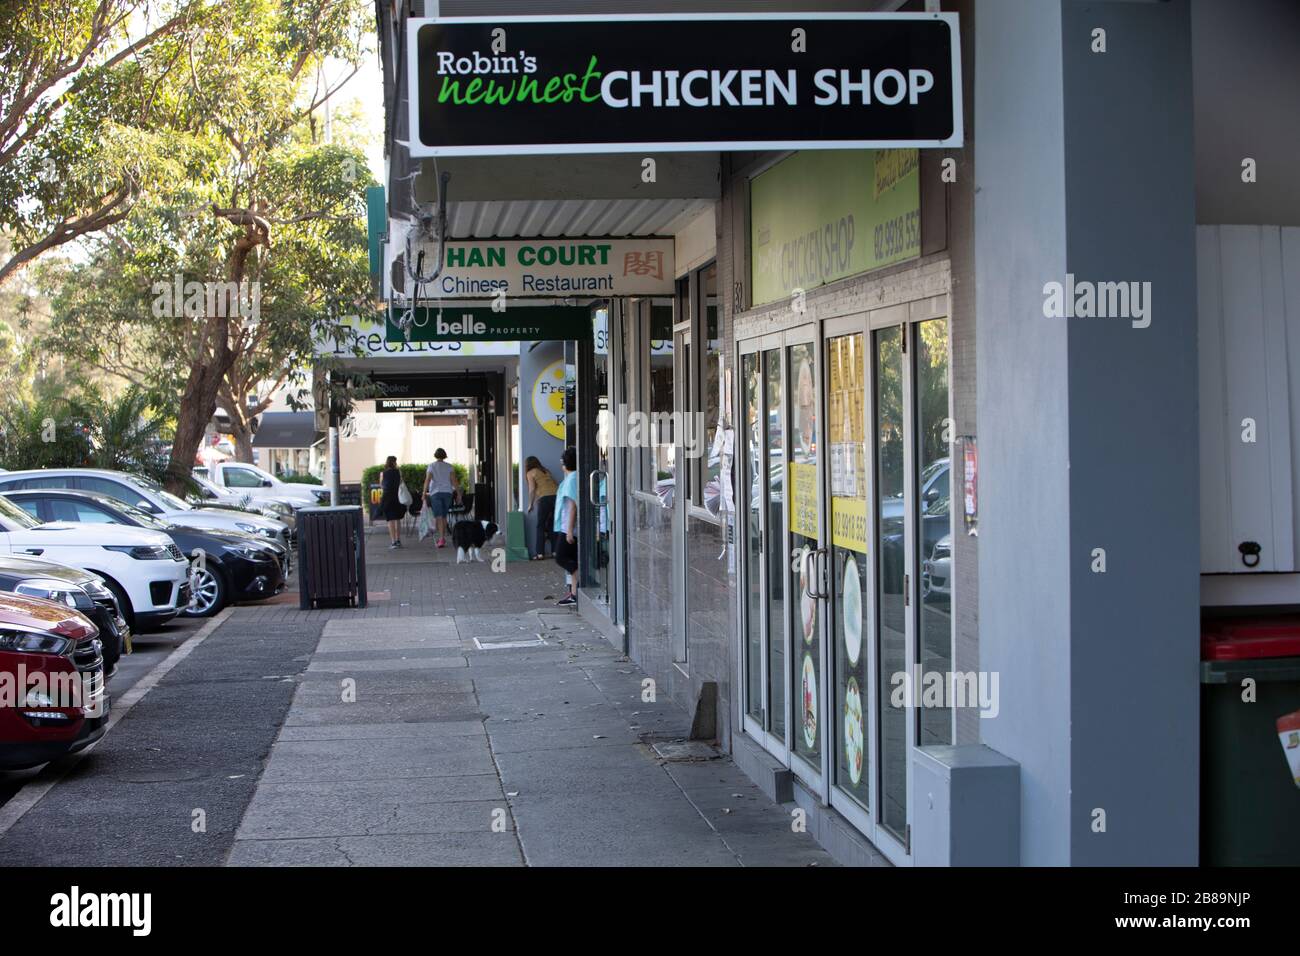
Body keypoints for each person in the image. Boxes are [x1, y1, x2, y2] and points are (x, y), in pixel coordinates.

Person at [553, 446, 579, 606]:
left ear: (564, 463)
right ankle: (574, 594)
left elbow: (572, 505)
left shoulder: (571, 480)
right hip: (567, 526)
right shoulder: (574, 478)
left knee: (561, 557)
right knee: (572, 558)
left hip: (567, 527)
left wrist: (569, 530)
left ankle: (578, 584)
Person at [524, 455, 558, 560]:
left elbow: (532, 489)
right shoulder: (545, 471)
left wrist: (530, 504)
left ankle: (540, 553)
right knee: (553, 525)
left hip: (545, 499)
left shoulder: (530, 473)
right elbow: (555, 483)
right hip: (556, 497)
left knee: (540, 526)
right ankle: (555, 552)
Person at [423, 448, 457, 549]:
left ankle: (441, 538)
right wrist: (458, 494)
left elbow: (427, 480)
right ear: (444, 455)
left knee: (439, 516)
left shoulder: (431, 466)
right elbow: (454, 481)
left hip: (436, 493)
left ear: (435, 455)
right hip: (447, 493)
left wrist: (424, 493)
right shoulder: (449, 467)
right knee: (444, 515)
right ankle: (442, 536)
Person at [379, 455, 406, 549]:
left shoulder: (383, 473)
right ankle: (398, 540)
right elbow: (401, 483)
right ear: (395, 462)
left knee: (390, 520)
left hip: (387, 498)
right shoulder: (399, 472)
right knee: (398, 519)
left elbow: (382, 486)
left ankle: (393, 541)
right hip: (397, 498)